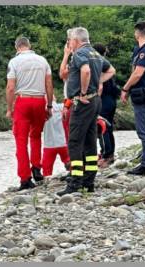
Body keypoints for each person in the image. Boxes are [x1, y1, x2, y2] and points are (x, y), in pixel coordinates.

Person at [57, 27, 115, 196]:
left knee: (75, 141)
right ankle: (89, 181)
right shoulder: (96, 54)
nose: (69, 44)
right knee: (90, 141)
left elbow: (86, 70)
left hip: (83, 102)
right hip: (95, 100)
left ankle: (75, 182)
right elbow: (111, 70)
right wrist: (97, 83)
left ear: (76, 41)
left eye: (70, 41)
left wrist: (83, 91)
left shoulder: (79, 54)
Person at [5, 36, 54, 190]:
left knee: (21, 140)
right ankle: (37, 169)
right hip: (40, 101)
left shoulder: (14, 62)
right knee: (36, 136)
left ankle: (25, 178)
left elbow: (11, 88)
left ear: (17, 47)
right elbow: (49, 84)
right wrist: (50, 105)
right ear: (29, 45)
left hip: (23, 101)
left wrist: (9, 108)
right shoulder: (42, 60)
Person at [120, 21, 145, 176]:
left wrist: (125, 88)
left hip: (143, 93)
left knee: (144, 130)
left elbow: (137, 73)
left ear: (137, 33)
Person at [92, 43, 120, 168]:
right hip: (111, 100)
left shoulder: (99, 64)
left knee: (102, 128)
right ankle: (109, 153)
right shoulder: (106, 64)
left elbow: (100, 87)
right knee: (108, 128)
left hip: (104, 100)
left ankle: (106, 155)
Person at [41, 98, 70, 177]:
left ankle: (46, 183)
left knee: (46, 169)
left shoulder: (41, 109)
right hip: (63, 142)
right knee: (69, 162)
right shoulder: (62, 106)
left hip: (49, 145)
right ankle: (72, 175)